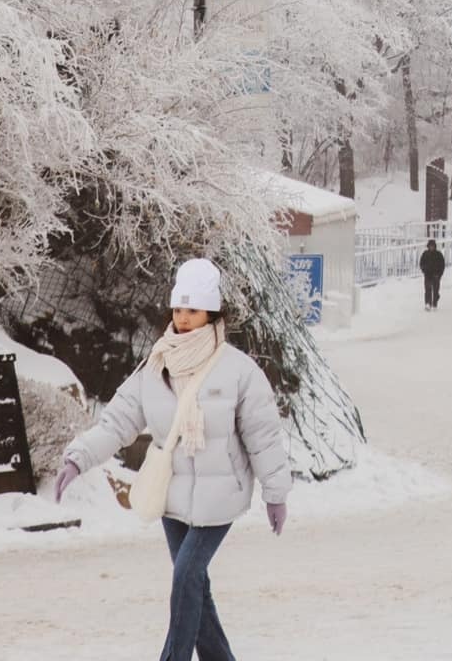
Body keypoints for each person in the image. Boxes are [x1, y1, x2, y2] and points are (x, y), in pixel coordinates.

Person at [55, 256, 290, 661]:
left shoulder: (238, 371)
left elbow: (263, 436)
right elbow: (118, 421)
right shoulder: (156, 365)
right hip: (171, 494)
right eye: (178, 309)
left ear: (211, 313)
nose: (182, 318)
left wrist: (276, 493)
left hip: (220, 496)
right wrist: (79, 458)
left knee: (186, 576)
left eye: (192, 310)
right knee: (193, 585)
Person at [420, 238, 446, 310]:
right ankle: (428, 303)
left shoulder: (438, 254)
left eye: (433, 246)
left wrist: (440, 274)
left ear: (435, 246)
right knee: (428, 289)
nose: (431, 247)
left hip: (436, 275)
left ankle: (435, 303)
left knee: (435, 290)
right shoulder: (425, 254)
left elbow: (442, 265)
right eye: (430, 246)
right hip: (427, 274)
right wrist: (424, 270)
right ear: (428, 246)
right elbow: (421, 263)